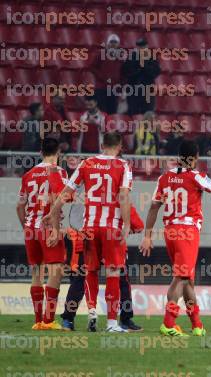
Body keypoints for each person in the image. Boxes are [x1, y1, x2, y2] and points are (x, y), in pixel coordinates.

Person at [140, 140, 211, 336]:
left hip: (170, 232)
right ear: (196, 157)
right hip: (187, 231)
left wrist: (147, 236)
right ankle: (168, 323)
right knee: (181, 277)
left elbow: (154, 207)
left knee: (188, 279)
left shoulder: (164, 178)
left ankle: (197, 325)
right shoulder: (196, 176)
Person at [45, 132, 132, 333]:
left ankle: (92, 310)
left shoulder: (86, 164)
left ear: (102, 144)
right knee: (113, 272)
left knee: (89, 271)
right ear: (119, 146)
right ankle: (111, 323)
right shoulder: (123, 166)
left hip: (89, 227)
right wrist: (126, 225)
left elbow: (66, 191)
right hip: (111, 227)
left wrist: (52, 212)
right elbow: (124, 196)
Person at [60, 204, 145, 332]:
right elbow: (138, 226)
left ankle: (69, 319)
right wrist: (125, 229)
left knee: (80, 280)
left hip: (87, 237)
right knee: (121, 281)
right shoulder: (120, 195)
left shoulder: (87, 193)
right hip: (113, 239)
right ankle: (122, 320)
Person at [16, 138, 68, 330]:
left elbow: (19, 206)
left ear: (40, 152)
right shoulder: (59, 172)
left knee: (36, 273)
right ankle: (48, 320)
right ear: (59, 153)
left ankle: (38, 321)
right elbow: (57, 199)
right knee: (56, 271)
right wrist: (55, 228)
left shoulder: (28, 175)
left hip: (31, 227)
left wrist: (27, 228)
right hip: (48, 227)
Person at [121, 38, 161, 115]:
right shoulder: (131, 57)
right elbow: (125, 71)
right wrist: (138, 69)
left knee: (148, 113)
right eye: (139, 46)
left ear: (147, 46)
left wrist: (144, 66)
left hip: (147, 90)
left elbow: (155, 72)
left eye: (143, 46)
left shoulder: (152, 57)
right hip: (133, 90)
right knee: (133, 113)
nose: (141, 48)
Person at [90, 34, 123, 114]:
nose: (113, 44)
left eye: (115, 42)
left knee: (113, 113)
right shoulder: (101, 54)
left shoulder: (120, 57)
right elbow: (92, 67)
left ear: (118, 44)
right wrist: (103, 78)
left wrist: (121, 86)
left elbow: (123, 73)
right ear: (108, 43)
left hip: (114, 89)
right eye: (111, 42)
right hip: (101, 88)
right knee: (102, 112)